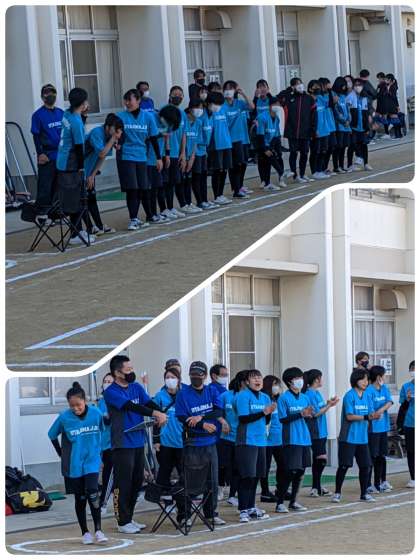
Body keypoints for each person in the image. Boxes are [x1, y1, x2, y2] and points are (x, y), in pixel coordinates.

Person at [103, 355, 167, 534]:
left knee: (137, 481)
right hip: (122, 443)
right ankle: (122, 521)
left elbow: (148, 402)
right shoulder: (111, 392)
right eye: (128, 370)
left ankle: (129, 517)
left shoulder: (136, 387)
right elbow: (131, 407)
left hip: (139, 441)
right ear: (117, 373)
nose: (132, 372)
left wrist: (161, 412)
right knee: (123, 483)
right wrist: (154, 413)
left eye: (132, 368)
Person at [48, 382, 108, 545]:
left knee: (93, 492)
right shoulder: (64, 417)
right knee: (80, 498)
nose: (75, 408)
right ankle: (85, 532)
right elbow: (51, 435)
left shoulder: (96, 413)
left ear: (85, 401)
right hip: (74, 463)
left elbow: (103, 431)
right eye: (72, 406)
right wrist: (61, 454)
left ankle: (98, 530)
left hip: (92, 460)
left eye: (78, 405)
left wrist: (102, 455)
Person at [175, 361, 226, 525]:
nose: (195, 377)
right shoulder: (183, 394)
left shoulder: (211, 391)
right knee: (189, 480)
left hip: (210, 442)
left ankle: (211, 513)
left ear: (205, 376)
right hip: (192, 442)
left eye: (199, 374)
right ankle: (184, 515)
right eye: (193, 375)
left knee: (212, 480)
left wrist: (201, 417)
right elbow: (182, 417)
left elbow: (218, 411)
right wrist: (202, 424)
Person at [332, 368, 381, 503]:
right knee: (344, 465)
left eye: (367, 380)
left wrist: (375, 415)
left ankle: (364, 493)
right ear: (355, 380)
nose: (366, 382)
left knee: (366, 466)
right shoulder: (349, 396)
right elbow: (349, 416)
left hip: (362, 438)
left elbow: (370, 413)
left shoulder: (367, 396)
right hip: (348, 437)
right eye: (363, 379)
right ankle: (337, 492)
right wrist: (367, 417)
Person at [117, 89, 163, 230]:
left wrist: (159, 158)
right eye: (125, 100)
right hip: (126, 156)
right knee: (133, 189)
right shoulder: (120, 116)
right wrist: (115, 143)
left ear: (138, 101)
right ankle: (133, 219)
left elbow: (153, 138)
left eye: (130, 100)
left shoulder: (148, 117)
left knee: (144, 187)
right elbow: (113, 134)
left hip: (142, 157)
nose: (127, 103)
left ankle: (150, 215)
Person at [56, 87, 95, 245]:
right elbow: (79, 146)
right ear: (82, 103)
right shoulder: (76, 121)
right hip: (70, 163)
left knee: (74, 198)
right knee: (76, 199)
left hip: (62, 161)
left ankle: (77, 230)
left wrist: (83, 114)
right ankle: (75, 233)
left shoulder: (67, 113)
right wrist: (81, 167)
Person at [235, 369, 275, 523]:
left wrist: (269, 412)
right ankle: (243, 509)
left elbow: (266, 421)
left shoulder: (265, 397)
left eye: (259, 377)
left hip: (261, 440)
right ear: (247, 381)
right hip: (247, 440)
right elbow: (243, 418)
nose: (257, 380)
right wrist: (264, 412)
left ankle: (251, 507)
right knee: (247, 476)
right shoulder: (243, 396)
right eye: (254, 378)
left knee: (257, 475)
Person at [276, 367, 313, 513]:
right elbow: (283, 419)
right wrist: (300, 414)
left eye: (301, 378)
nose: (300, 381)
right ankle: (280, 502)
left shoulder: (305, 397)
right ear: (290, 382)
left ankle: (294, 501)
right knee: (290, 471)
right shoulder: (283, 398)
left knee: (300, 471)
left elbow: (308, 416)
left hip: (305, 438)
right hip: (291, 439)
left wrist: (308, 415)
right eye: (297, 378)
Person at [84, 113, 122, 235]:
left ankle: (99, 226)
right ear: (107, 127)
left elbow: (102, 158)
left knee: (91, 197)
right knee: (81, 200)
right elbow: (101, 152)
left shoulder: (108, 137)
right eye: (115, 130)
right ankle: (90, 227)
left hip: (89, 170)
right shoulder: (97, 133)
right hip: (77, 170)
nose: (117, 133)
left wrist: (92, 175)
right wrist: (113, 139)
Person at [303, 369, 339, 497]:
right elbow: (315, 414)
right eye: (320, 378)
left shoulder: (317, 393)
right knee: (322, 458)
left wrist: (329, 404)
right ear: (316, 379)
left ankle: (316, 487)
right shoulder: (309, 394)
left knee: (318, 459)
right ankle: (315, 487)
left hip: (322, 431)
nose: (322, 380)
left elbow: (321, 408)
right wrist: (329, 406)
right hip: (315, 431)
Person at [30, 84, 64, 219]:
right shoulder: (37, 115)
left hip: (60, 156)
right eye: (47, 93)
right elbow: (36, 136)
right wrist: (40, 154)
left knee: (59, 186)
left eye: (52, 93)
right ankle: (42, 214)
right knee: (45, 186)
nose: (50, 95)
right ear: (42, 96)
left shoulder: (61, 113)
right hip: (47, 156)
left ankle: (55, 214)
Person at [218, 370, 248, 508]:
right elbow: (216, 412)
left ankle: (232, 495)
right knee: (223, 465)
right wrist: (223, 422)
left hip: (242, 438)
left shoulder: (250, 397)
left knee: (237, 467)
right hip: (226, 437)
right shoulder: (226, 395)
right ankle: (219, 488)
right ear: (242, 381)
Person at [152, 367, 184, 495]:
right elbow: (155, 421)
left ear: (179, 379)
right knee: (164, 470)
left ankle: (182, 495)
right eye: (167, 377)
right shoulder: (159, 396)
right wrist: (156, 440)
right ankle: (164, 496)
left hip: (182, 441)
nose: (170, 380)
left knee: (184, 471)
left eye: (173, 377)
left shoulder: (184, 395)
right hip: (165, 441)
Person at [223, 80, 255, 199]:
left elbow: (252, 107)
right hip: (229, 140)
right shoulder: (222, 105)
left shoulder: (238, 103)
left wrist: (243, 93)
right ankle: (236, 189)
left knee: (241, 164)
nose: (228, 91)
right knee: (234, 165)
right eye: (226, 89)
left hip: (240, 139)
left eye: (231, 88)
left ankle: (238, 187)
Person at [365, 365, 393, 494]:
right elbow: (371, 411)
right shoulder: (369, 391)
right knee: (373, 456)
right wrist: (380, 410)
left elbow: (389, 402)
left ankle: (381, 482)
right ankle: (369, 484)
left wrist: (380, 410)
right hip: (373, 429)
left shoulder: (384, 388)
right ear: (378, 377)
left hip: (383, 427)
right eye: (384, 375)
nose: (385, 377)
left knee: (382, 455)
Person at [283, 78, 315, 183]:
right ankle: (295, 175)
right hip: (292, 131)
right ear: (293, 86)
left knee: (304, 153)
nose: (300, 85)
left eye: (300, 83)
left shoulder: (309, 98)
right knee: (293, 153)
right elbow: (279, 98)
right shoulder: (289, 98)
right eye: (297, 84)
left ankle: (302, 173)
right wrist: (290, 91)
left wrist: (313, 129)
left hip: (306, 131)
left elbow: (313, 115)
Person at [259, 375, 286, 503]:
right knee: (266, 467)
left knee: (283, 465)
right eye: (274, 384)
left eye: (278, 384)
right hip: (267, 439)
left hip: (279, 438)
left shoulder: (279, 400)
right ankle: (265, 492)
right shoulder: (264, 399)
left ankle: (280, 489)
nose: (277, 387)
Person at [164, 86, 188, 218]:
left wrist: (183, 153)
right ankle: (168, 208)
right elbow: (165, 133)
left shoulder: (182, 114)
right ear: (170, 96)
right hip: (167, 153)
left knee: (175, 181)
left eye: (180, 95)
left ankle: (173, 207)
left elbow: (183, 134)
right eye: (175, 94)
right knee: (168, 182)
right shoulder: (166, 111)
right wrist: (167, 153)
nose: (177, 97)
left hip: (177, 153)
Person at [207, 91, 233, 205]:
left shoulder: (223, 109)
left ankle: (221, 194)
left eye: (220, 104)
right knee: (217, 170)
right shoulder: (208, 113)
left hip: (226, 143)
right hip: (216, 145)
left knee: (224, 170)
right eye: (216, 103)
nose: (218, 106)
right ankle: (216, 195)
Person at [256, 96, 287, 191]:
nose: (278, 106)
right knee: (265, 160)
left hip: (270, 142)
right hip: (260, 142)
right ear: (270, 106)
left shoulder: (277, 118)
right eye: (276, 104)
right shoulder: (262, 117)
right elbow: (260, 135)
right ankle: (269, 180)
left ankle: (272, 180)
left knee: (272, 157)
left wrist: (271, 148)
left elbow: (275, 135)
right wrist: (265, 149)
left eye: (279, 105)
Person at [182, 100, 204, 213]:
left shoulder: (199, 122)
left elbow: (196, 141)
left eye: (201, 108)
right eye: (198, 108)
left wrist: (192, 158)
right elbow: (183, 138)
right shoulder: (184, 120)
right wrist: (184, 156)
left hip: (191, 155)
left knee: (189, 179)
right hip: (182, 155)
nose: (200, 110)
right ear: (190, 108)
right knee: (183, 180)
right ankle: (184, 203)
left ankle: (189, 203)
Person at [96, 374, 114, 513]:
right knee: (107, 474)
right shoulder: (101, 401)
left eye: (110, 381)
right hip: (105, 443)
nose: (107, 383)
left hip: (116, 442)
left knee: (112, 474)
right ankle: (103, 503)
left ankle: (104, 502)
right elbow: (104, 420)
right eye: (105, 381)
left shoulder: (117, 400)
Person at [347, 78, 372, 171]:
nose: (358, 87)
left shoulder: (364, 97)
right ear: (353, 86)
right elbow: (348, 111)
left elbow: (366, 113)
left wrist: (367, 127)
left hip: (362, 126)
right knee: (352, 145)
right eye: (356, 85)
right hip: (354, 126)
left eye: (360, 85)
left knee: (364, 144)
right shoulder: (350, 97)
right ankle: (350, 165)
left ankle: (366, 163)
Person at [307, 80, 330, 180]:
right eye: (315, 87)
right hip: (315, 130)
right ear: (310, 89)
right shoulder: (308, 100)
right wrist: (313, 130)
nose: (317, 89)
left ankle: (320, 170)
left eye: (318, 87)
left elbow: (328, 104)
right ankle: (314, 171)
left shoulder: (321, 98)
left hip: (324, 128)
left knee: (323, 151)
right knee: (315, 151)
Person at [399, 360, 415, 488]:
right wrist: (408, 399)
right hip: (410, 423)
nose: (414, 371)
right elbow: (403, 407)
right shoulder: (406, 387)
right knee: (411, 451)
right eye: (412, 368)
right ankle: (413, 478)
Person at [332, 77, 352, 173]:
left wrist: (349, 120)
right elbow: (336, 111)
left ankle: (341, 165)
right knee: (338, 147)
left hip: (346, 126)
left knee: (344, 146)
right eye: (343, 85)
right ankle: (336, 167)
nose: (344, 87)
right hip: (339, 126)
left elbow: (348, 110)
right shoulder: (334, 95)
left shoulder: (344, 96)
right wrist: (344, 121)